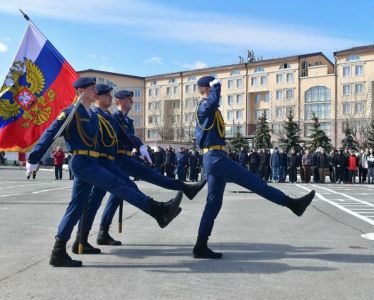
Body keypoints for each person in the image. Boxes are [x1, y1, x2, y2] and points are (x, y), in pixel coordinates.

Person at [26, 78, 183, 267]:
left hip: (93, 161)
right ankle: (158, 210)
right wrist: (34, 158)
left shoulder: (92, 115)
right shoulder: (70, 113)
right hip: (82, 162)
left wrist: (137, 146)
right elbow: (49, 134)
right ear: (81, 91)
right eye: (92, 89)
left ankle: (59, 251)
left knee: (76, 207)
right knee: (118, 184)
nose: (95, 92)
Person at [193, 75, 315, 259]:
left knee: (213, 203)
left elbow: (214, 105)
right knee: (256, 183)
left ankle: (200, 245)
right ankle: (292, 204)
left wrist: (215, 89)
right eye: (212, 88)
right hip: (215, 158)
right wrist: (216, 86)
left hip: (215, 157)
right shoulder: (204, 107)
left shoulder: (210, 109)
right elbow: (212, 102)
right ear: (206, 89)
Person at [76, 87, 206, 250]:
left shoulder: (125, 120)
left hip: (122, 158)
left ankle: (96, 234)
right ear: (119, 101)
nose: (131, 101)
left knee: (116, 194)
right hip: (113, 160)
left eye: (131, 98)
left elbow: (128, 136)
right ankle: (87, 237)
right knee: (113, 192)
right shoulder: (110, 116)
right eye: (127, 98)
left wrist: (140, 146)